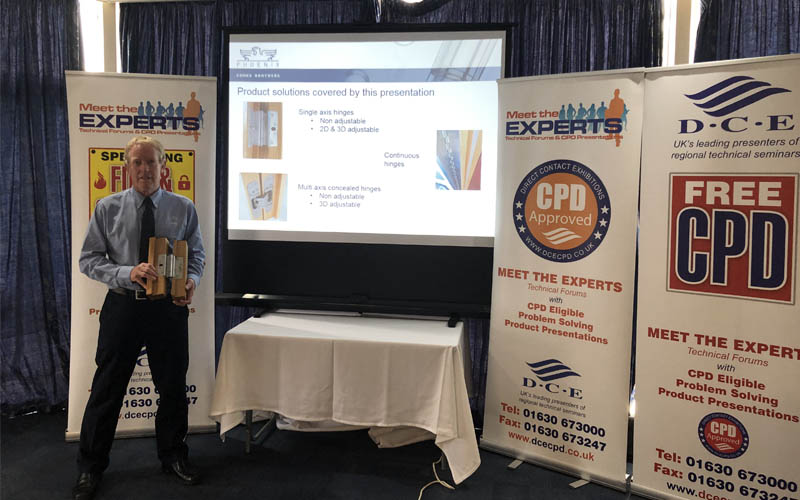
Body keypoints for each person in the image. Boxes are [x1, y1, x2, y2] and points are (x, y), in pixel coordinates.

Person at [72, 136, 205, 500]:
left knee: (173, 387)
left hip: (168, 310)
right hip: (123, 307)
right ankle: (90, 467)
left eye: (151, 162)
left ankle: (174, 456)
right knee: (107, 389)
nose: (145, 169)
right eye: (137, 162)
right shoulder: (107, 208)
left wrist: (191, 281)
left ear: (164, 166)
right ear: (127, 167)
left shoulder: (184, 208)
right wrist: (127, 273)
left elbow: (196, 255)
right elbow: (88, 259)